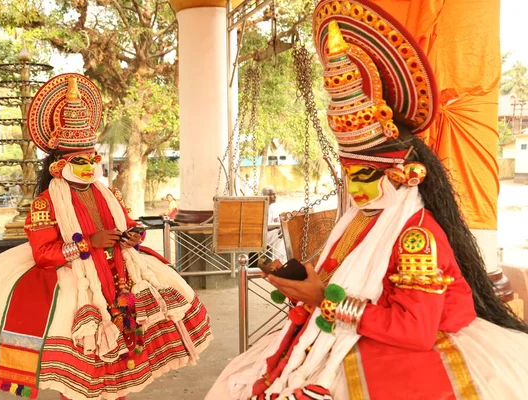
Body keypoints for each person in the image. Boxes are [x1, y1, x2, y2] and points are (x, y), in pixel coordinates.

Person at [206, 1, 528, 399]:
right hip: (348, 332)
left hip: (396, 348)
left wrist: (323, 298)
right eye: (349, 177)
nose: (356, 191)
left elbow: (415, 331)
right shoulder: (366, 218)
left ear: (403, 174)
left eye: (365, 176)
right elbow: (345, 278)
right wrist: (302, 280)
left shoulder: (417, 238)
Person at [0, 73, 212, 400]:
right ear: (60, 165)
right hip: (77, 288)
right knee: (82, 376)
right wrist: (89, 243)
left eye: (92, 159)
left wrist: (133, 235)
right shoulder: (46, 202)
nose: (88, 166)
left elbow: (132, 225)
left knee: (122, 367)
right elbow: (44, 254)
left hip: (121, 283)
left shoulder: (109, 194)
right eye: (80, 160)